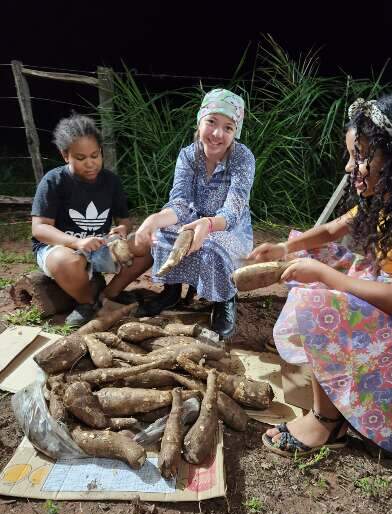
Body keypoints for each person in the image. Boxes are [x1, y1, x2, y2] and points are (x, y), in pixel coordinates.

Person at [249, 92, 392, 468]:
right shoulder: (390, 193)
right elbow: (334, 229)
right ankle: (334, 387)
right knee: (309, 257)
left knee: (315, 295)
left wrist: (326, 277)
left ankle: (327, 423)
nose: (351, 167)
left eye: (361, 156)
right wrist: (285, 247)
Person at [135, 88, 255, 339]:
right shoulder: (188, 155)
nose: (217, 133)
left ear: (236, 132)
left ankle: (225, 300)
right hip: (193, 220)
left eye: (228, 127)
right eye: (211, 122)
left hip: (228, 227)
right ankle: (171, 290)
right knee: (163, 231)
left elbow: (233, 210)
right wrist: (154, 219)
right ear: (200, 121)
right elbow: (178, 203)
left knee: (213, 246)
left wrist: (208, 225)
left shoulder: (243, 158)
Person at [31, 114, 152, 327]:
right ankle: (85, 303)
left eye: (95, 155)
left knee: (148, 245)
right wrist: (76, 242)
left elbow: (124, 220)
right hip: (60, 248)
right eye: (81, 158)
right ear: (65, 155)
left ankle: (107, 295)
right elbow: (39, 229)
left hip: (100, 245)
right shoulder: (53, 181)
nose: (90, 163)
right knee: (65, 260)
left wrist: (121, 230)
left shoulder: (111, 181)